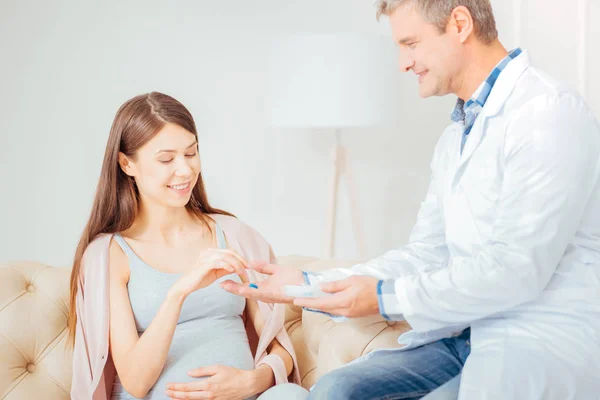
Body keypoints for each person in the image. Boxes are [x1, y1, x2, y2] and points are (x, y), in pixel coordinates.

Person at [222, 1, 600, 399]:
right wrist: (310, 284)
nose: (404, 63)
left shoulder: (546, 113)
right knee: (337, 389)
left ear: (459, 24)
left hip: (536, 337)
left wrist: (383, 297)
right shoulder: (455, 137)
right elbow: (427, 252)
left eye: (411, 43)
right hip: (464, 334)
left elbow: (516, 270)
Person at [68, 92, 310, 400]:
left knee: (292, 396)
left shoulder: (234, 235)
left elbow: (279, 344)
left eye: (191, 153)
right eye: (166, 159)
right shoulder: (109, 254)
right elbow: (135, 381)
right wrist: (179, 292)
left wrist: (253, 382)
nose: (184, 171)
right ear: (126, 163)